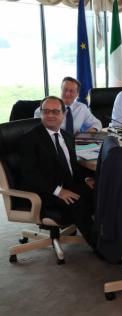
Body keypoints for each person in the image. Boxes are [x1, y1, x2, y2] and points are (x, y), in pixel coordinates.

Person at [20, 96, 96, 248]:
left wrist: (87, 178)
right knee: (78, 203)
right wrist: (58, 191)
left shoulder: (67, 136)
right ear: (41, 113)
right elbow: (29, 174)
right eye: (46, 111)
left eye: (55, 111)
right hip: (45, 192)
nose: (50, 115)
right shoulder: (29, 139)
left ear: (64, 114)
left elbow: (72, 166)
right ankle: (102, 248)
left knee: (102, 193)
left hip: (68, 185)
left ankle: (117, 239)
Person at [34, 77, 102, 134]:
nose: (67, 94)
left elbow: (97, 123)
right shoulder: (44, 110)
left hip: (76, 145)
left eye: (71, 91)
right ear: (61, 90)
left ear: (77, 94)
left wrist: (89, 133)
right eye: (65, 90)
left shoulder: (82, 108)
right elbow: (38, 133)